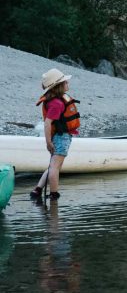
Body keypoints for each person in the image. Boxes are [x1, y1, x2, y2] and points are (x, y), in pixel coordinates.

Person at [30, 69, 80, 201]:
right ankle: (53, 195)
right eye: (65, 82)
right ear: (58, 86)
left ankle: (37, 190)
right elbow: (47, 124)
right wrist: (48, 143)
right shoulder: (57, 104)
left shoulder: (53, 100)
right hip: (61, 137)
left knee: (53, 166)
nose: (68, 83)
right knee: (55, 167)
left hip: (58, 136)